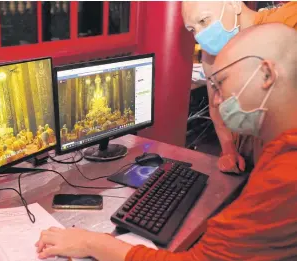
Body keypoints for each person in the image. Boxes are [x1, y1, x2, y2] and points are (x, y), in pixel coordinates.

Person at [35, 23, 297, 261]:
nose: (216, 101)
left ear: (266, 74)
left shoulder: (286, 174)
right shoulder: (279, 152)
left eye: (221, 83)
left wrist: (92, 242)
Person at [182, 1, 296, 174]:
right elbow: (215, 106)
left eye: (204, 21)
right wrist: (229, 150)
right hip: (248, 150)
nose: (199, 35)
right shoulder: (211, 51)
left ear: (234, 4)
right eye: (192, 30)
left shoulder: (289, 19)